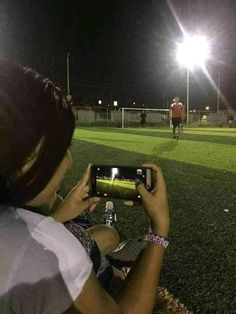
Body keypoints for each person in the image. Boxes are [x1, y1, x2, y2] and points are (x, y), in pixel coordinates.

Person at [0, 59, 170, 313]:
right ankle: (114, 270)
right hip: (82, 269)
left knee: (105, 236)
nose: (68, 163)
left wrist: (60, 214)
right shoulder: (53, 255)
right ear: (24, 159)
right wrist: (159, 228)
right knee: (108, 245)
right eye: (63, 148)